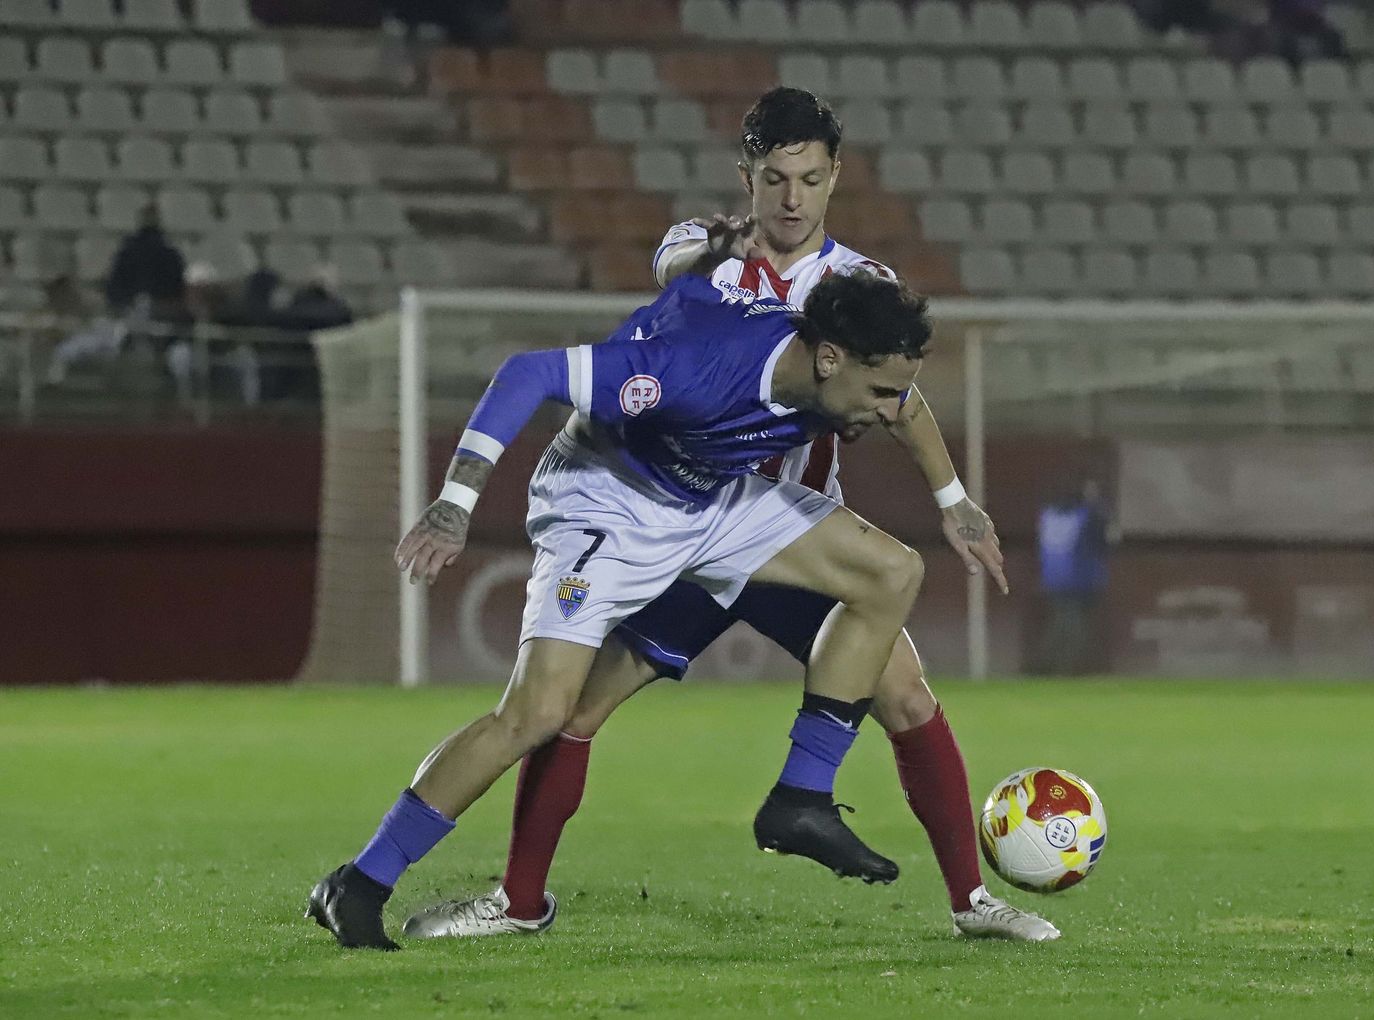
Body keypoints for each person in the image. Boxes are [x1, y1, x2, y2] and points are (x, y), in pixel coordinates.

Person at [402, 87, 1058, 944]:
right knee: (575, 711)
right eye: (777, 178)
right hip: (677, 528)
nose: (793, 200)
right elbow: (681, 282)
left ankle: (969, 900)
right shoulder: (702, 251)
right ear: (747, 176)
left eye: (812, 180)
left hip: (794, 539)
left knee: (904, 693)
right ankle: (519, 901)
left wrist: (955, 502)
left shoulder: (862, 287)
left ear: (834, 180)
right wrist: (714, 251)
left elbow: (903, 403)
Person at [306, 269, 961, 950]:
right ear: (830, 359)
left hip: (709, 499)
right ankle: (360, 882)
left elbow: (693, 290)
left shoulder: (819, 366)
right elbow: (526, 373)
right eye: (884, 392)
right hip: (607, 503)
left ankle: (801, 798)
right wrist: (455, 502)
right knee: (537, 715)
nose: (893, 411)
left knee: (891, 571)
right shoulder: (691, 372)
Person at [1035, 480, 1114, 675]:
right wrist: (1095, 502)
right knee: (1073, 628)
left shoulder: (1048, 515)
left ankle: (1048, 666)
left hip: (1052, 579)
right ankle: (1059, 669)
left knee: (1061, 623)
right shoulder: (1086, 516)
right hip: (1080, 580)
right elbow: (1104, 541)